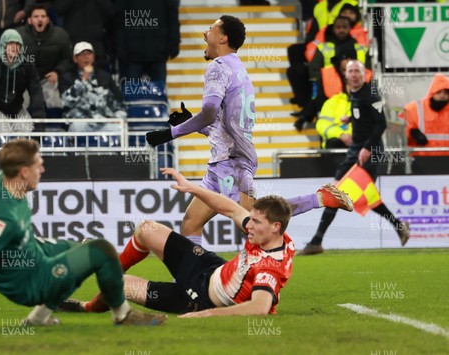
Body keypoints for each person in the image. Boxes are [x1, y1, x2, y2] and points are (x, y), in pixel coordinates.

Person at [61, 168, 354, 316]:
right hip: (211, 267)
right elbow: (229, 207)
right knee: (147, 229)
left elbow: (259, 307)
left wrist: (206, 316)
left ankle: (90, 307)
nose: (249, 227)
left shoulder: (270, 266)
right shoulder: (266, 232)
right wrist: (191, 187)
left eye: (257, 224)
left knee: (115, 283)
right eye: (251, 221)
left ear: (275, 228)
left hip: (198, 300)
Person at [0, 139, 167, 333]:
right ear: (24, 171)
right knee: (101, 250)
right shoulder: (2, 218)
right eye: (38, 164)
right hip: (27, 283)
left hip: (31, 252)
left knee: (78, 250)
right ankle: (123, 315)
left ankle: (37, 319)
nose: (42, 169)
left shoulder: (3, 179)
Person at [145, 15, 258, 247]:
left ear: (223, 38)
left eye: (211, 29)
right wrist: (193, 123)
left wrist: (172, 132)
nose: (206, 33)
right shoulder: (239, 69)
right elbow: (224, 126)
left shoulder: (217, 67)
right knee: (191, 222)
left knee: (254, 227)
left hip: (231, 163)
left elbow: (208, 110)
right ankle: (190, 280)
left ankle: (316, 201)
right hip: (227, 159)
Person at [300, 60, 410, 255]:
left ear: (363, 73)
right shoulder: (354, 93)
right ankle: (399, 226)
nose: (354, 74)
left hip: (371, 152)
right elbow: (367, 116)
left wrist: (367, 148)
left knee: (338, 194)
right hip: (355, 151)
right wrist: (351, 118)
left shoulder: (372, 92)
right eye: (350, 71)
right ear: (346, 75)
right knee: (343, 193)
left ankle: (316, 240)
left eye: (357, 71)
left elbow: (381, 123)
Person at [0, 29, 45, 133]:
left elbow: (36, 92)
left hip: (16, 109)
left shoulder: (27, 65)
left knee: (28, 137)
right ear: (3, 45)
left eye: (17, 44)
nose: (14, 47)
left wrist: (39, 123)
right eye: (10, 44)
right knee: (8, 136)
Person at [59, 41, 125, 132]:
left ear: (93, 57)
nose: (86, 57)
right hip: (80, 122)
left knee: (118, 129)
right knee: (77, 127)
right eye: (82, 54)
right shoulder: (67, 78)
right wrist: (83, 80)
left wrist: (118, 117)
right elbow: (65, 102)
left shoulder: (105, 76)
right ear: (75, 59)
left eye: (89, 54)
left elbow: (120, 102)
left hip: (104, 122)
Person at [16, 4, 71, 112]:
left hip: (48, 78)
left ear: (48, 20)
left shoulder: (60, 35)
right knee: (20, 103)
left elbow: (68, 59)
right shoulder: (18, 35)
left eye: (43, 16)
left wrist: (57, 72)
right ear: (29, 20)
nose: (40, 19)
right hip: (24, 79)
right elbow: (7, 59)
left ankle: (57, 127)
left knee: (55, 104)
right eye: (36, 17)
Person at [114, 0, 180, 83]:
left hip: (138, 53)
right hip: (149, 53)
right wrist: (174, 43)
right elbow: (172, 19)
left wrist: (174, 43)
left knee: (134, 92)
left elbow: (120, 21)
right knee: (157, 92)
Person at [400, 74, 449, 156]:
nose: (442, 95)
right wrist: (412, 132)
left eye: (446, 93)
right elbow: (400, 127)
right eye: (439, 92)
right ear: (432, 92)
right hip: (421, 158)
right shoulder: (414, 108)